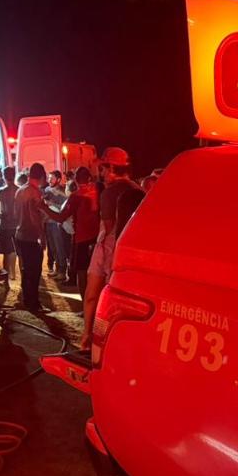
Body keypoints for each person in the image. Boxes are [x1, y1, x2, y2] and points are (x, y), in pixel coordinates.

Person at [80, 148, 141, 348]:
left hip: (108, 246)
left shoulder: (109, 193)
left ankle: (87, 337)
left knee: (92, 295)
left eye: (103, 168)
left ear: (112, 168)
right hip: (129, 251)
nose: (101, 173)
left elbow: (107, 227)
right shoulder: (139, 190)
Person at [13, 163, 56, 313]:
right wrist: (41, 236)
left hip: (20, 234)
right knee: (34, 272)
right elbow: (34, 217)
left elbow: (16, 214)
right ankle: (34, 303)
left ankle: (27, 300)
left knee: (26, 271)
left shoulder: (20, 190)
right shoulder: (34, 192)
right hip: (31, 237)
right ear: (42, 176)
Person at [52, 166, 100, 299]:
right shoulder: (97, 190)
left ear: (76, 179)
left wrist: (43, 207)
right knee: (96, 272)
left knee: (82, 272)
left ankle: (86, 304)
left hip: (81, 239)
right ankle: (94, 302)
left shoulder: (76, 196)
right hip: (97, 237)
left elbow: (61, 217)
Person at [0, 166, 19, 288]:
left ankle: (6, 281)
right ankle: (23, 279)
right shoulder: (19, 190)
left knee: (6, 254)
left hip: (5, 225)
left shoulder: (1, 191)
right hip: (18, 225)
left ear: (4, 176)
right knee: (20, 253)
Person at [43, 170, 69, 279]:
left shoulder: (63, 192)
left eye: (52, 178)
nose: (49, 180)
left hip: (57, 223)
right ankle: (57, 269)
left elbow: (64, 208)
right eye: (49, 178)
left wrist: (51, 203)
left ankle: (62, 271)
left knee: (59, 247)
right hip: (48, 222)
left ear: (58, 179)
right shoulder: (47, 190)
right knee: (53, 247)